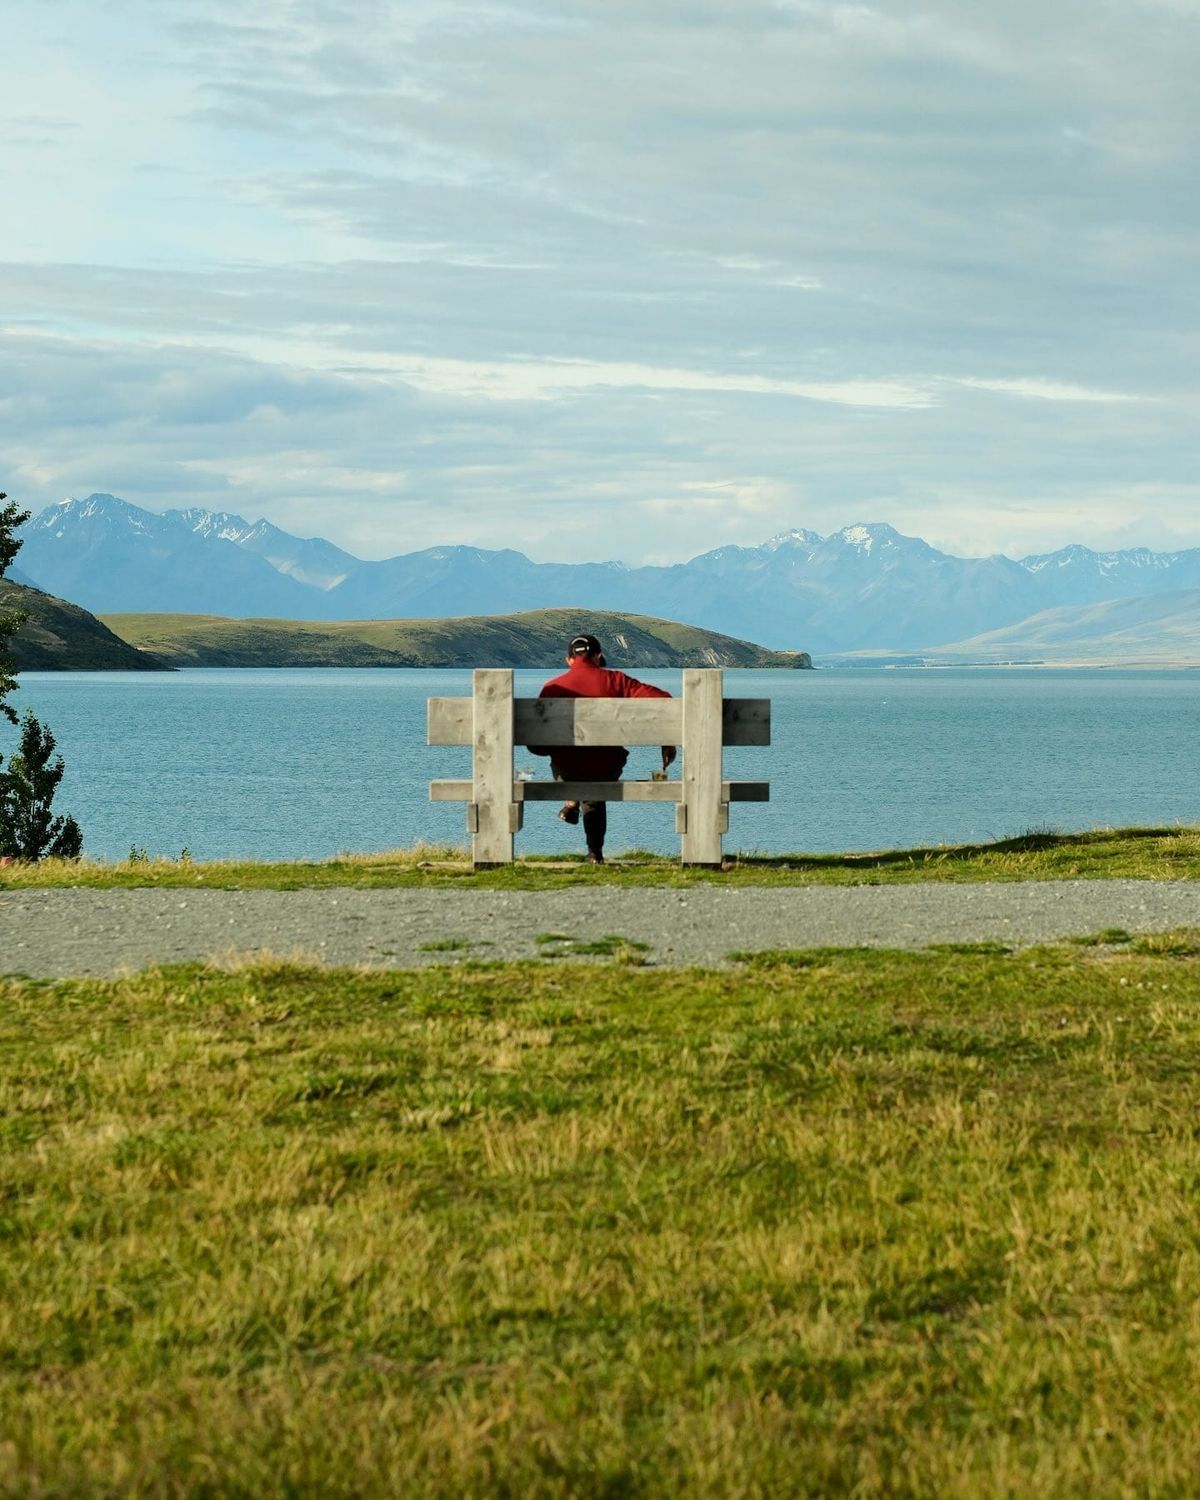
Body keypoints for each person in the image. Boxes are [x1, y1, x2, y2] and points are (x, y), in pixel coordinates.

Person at [527, 633, 676, 864]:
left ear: (569, 660)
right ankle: (594, 851)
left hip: (566, 771)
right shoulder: (617, 681)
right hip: (607, 767)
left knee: (574, 767)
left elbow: (536, 745)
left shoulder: (552, 687)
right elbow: (665, 700)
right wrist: (667, 739)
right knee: (595, 776)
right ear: (599, 657)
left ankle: (572, 803)